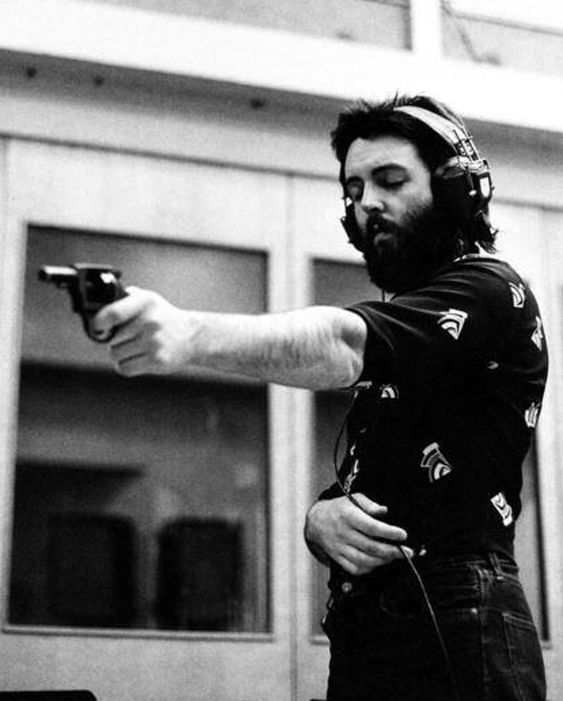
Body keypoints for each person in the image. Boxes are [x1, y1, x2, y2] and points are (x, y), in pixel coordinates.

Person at [93, 94, 548, 701]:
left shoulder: (492, 288)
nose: (367, 204)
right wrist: (320, 520)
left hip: (459, 613)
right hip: (384, 620)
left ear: (457, 189)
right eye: (353, 190)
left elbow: (341, 342)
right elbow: (394, 473)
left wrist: (187, 334)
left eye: (390, 181)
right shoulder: (424, 337)